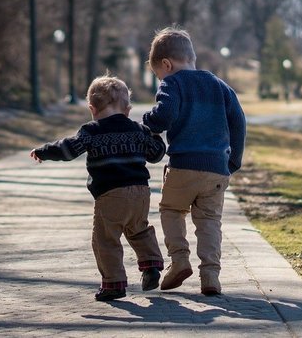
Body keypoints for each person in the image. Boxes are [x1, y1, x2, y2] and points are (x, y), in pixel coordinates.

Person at [30, 75, 166, 301]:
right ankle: (151, 266)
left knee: (105, 239)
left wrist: (44, 151)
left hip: (111, 194)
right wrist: (156, 136)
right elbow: (156, 154)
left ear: (92, 109)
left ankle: (114, 283)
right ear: (127, 109)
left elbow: (68, 149)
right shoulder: (137, 129)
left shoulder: (91, 131)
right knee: (139, 229)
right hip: (140, 193)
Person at [142, 27, 246, 296]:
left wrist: (148, 121)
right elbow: (239, 122)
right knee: (210, 221)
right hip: (216, 169)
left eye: (158, 75)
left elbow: (164, 116)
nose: (160, 79)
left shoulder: (172, 83)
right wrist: (233, 160)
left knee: (171, 210)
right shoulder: (219, 85)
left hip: (183, 165)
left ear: (167, 64)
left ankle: (179, 260)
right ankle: (210, 276)